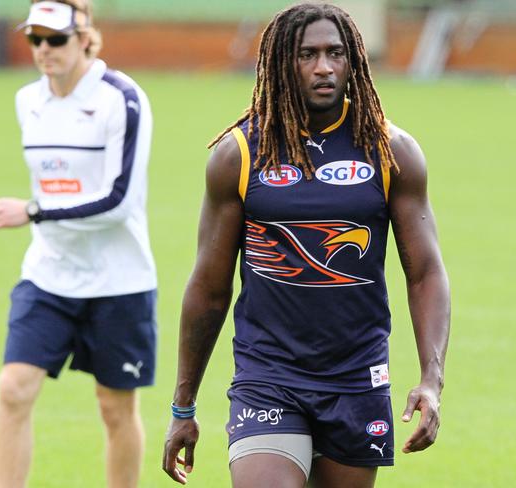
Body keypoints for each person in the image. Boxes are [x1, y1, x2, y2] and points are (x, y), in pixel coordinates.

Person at [162, 3, 450, 487]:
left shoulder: (391, 152)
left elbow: (425, 273)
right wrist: (183, 406)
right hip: (268, 377)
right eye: (307, 54)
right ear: (280, 62)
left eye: (335, 53)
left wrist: (431, 380)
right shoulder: (239, 155)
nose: (324, 67)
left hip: (357, 378)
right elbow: (209, 289)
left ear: (353, 61)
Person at [0, 1, 156, 487]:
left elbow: (119, 201)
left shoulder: (122, 98)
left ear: (84, 37)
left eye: (55, 39)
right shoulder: (26, 101)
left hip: (119, 281)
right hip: (48, 275)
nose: (43, 50)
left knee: (115, 408)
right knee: (12, 389)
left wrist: (33, 211)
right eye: (35, 39)